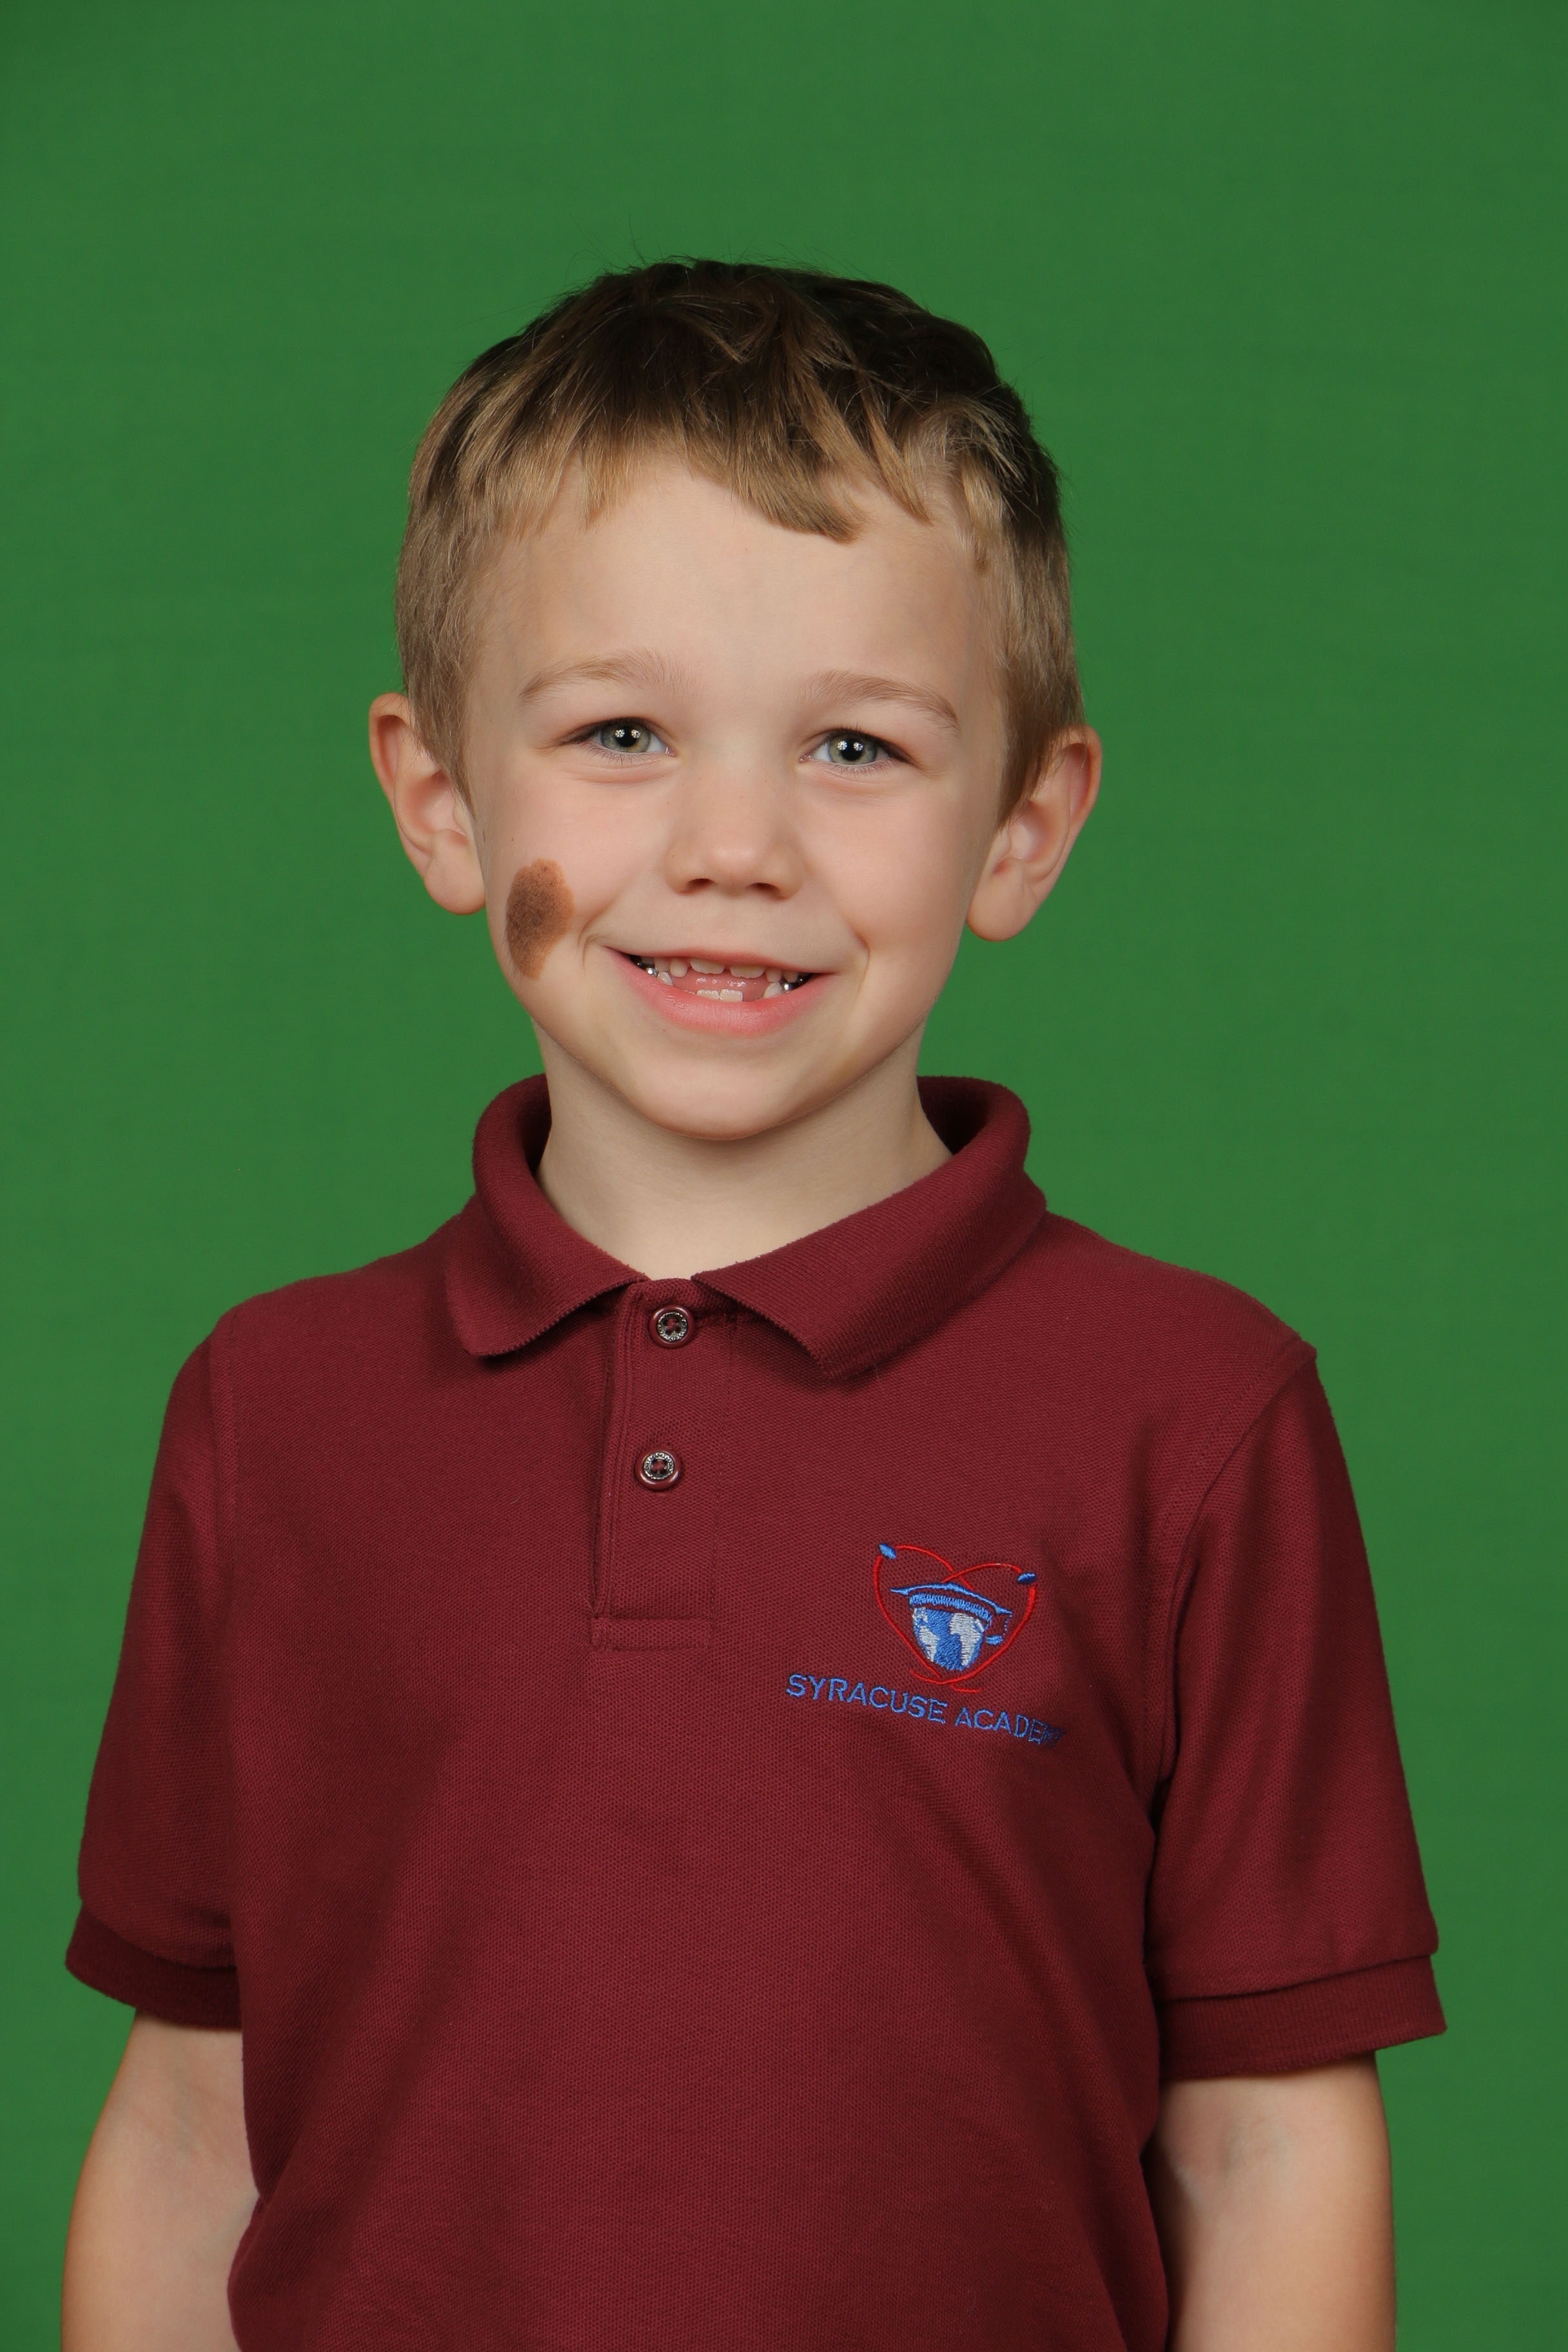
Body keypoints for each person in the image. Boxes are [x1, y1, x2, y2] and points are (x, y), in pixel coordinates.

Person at [60, 260, 1442, 2352]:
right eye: (621, 734)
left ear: (1025, 827)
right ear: (442, 802)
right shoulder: (276, 1411)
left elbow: (1266, 2149)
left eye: (856, 746)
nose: (733, 846)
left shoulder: (1196, 1415)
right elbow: (190, 2128)